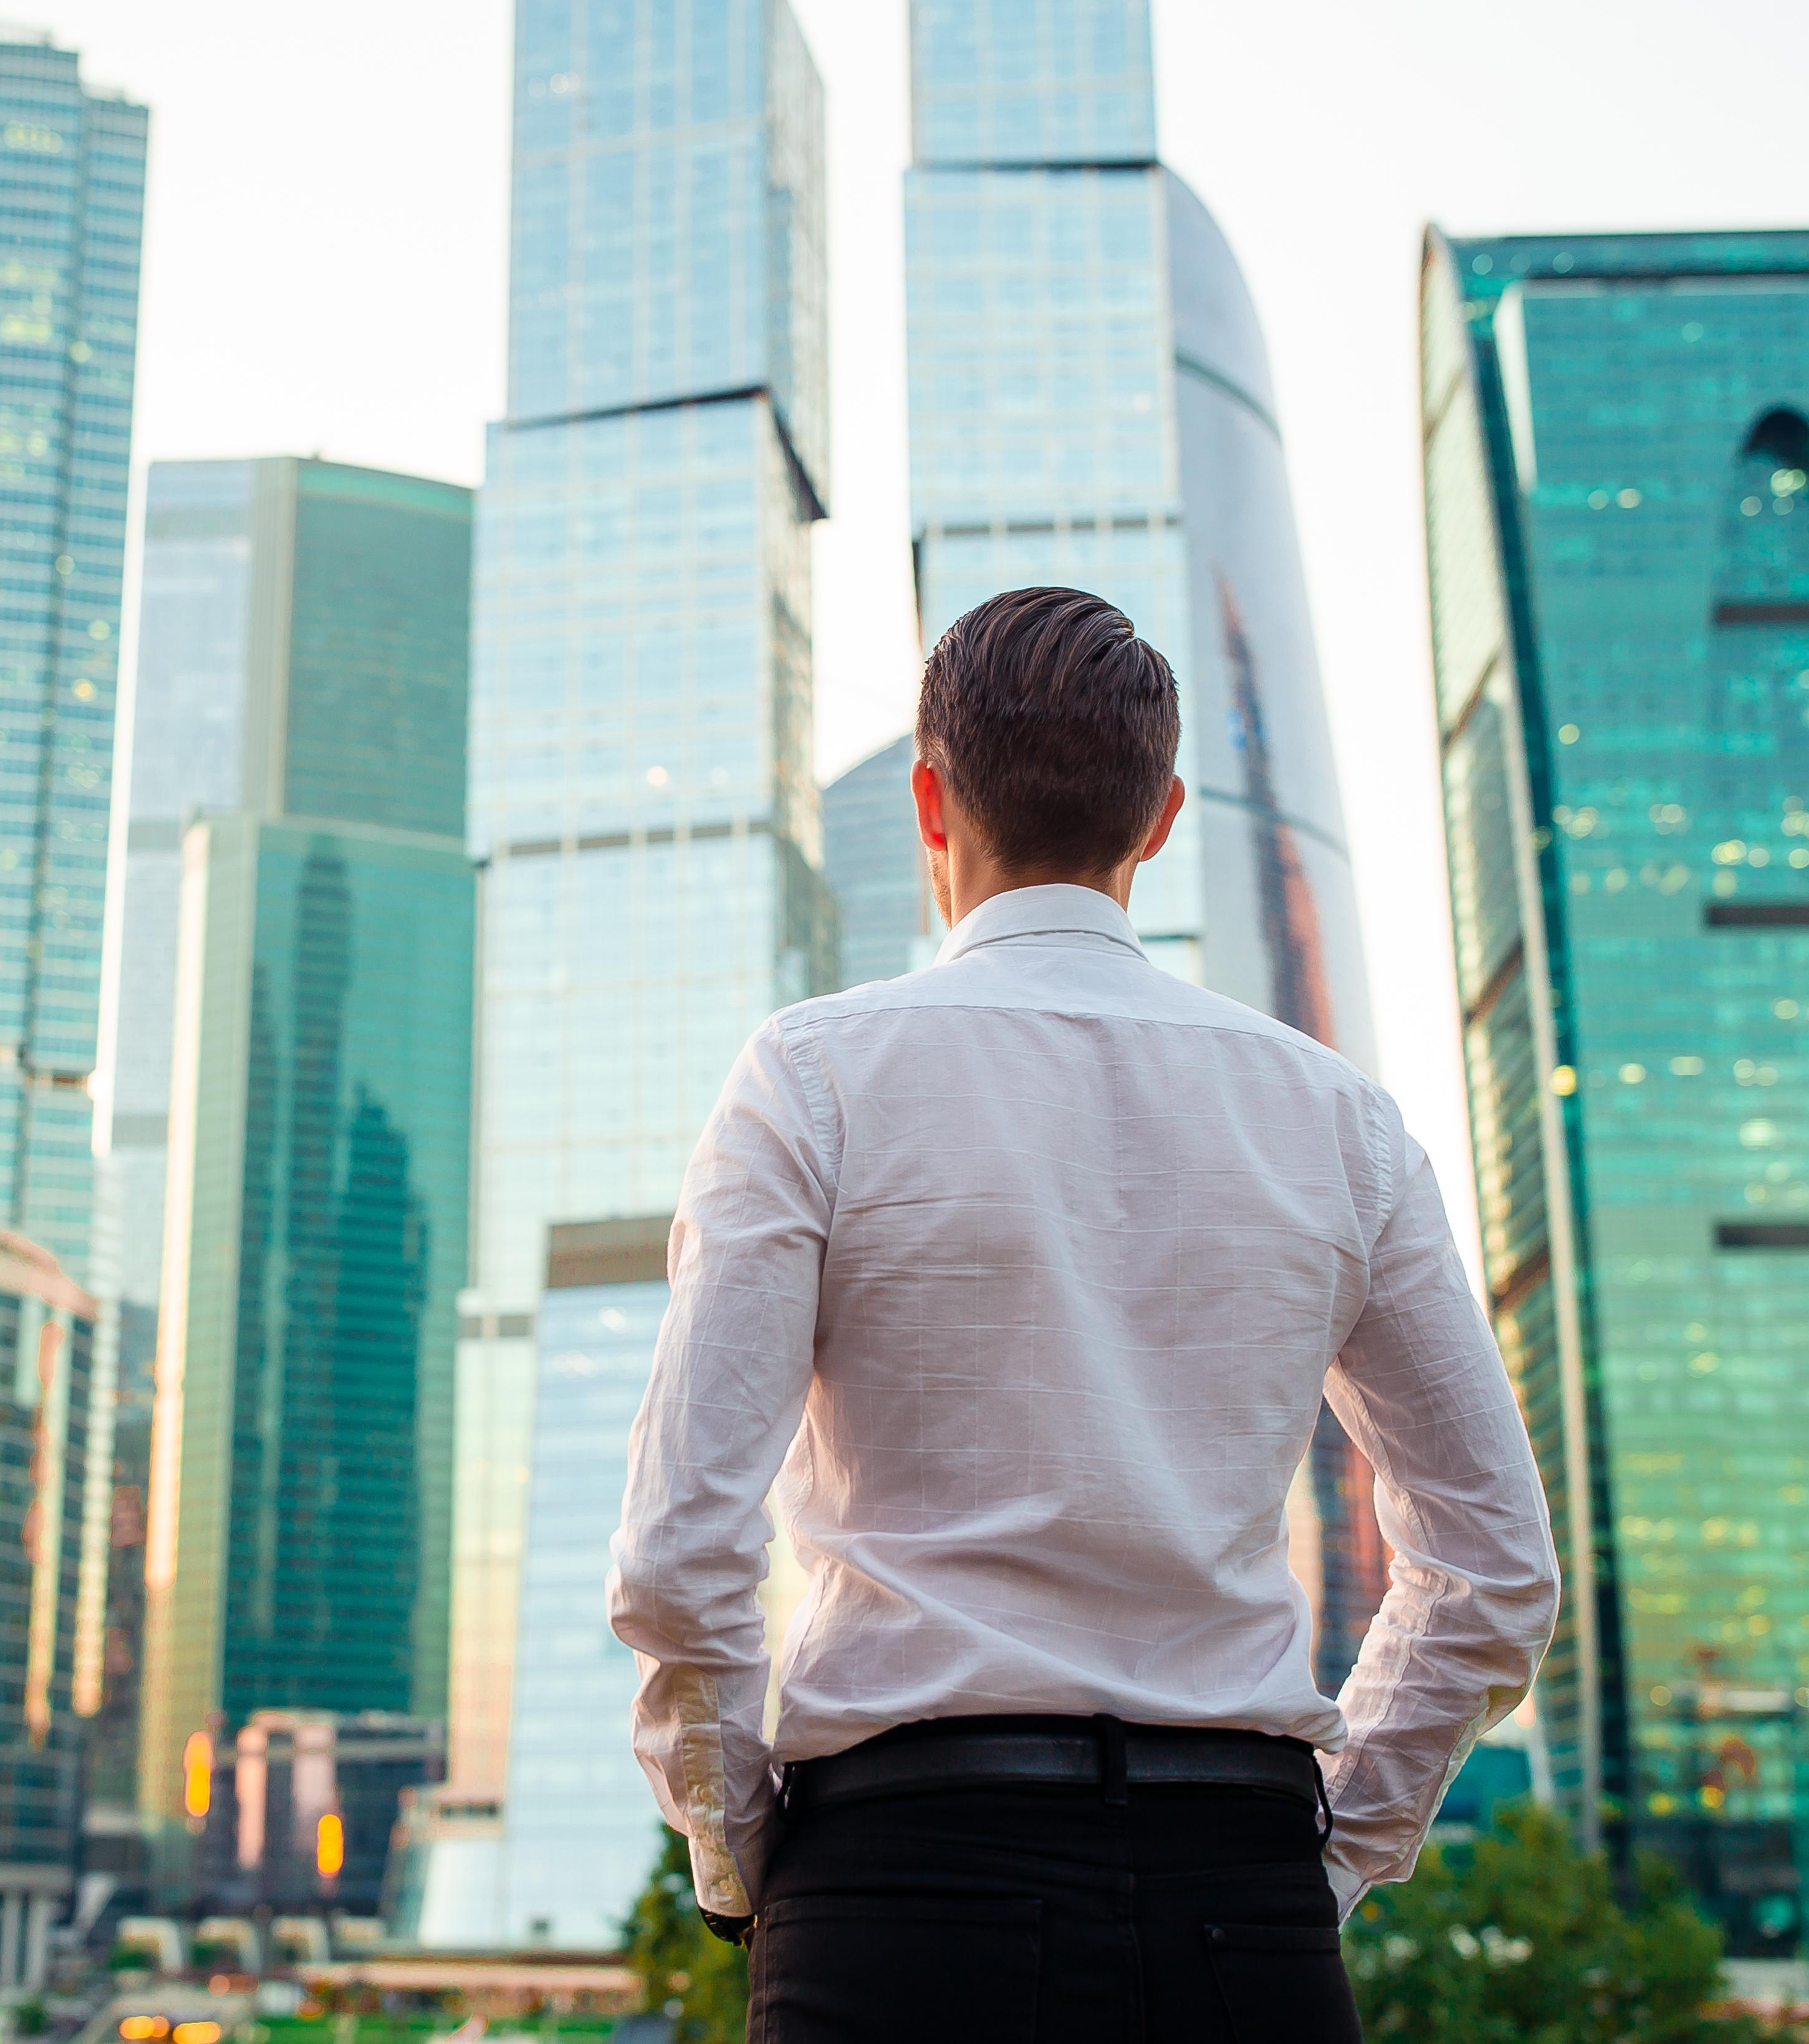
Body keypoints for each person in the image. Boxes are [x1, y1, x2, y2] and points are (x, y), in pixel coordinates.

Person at [606, 587, 1560, 2040]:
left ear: (930, 799)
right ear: (1162, 815)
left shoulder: (811, 1080)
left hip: (897, 1902)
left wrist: (751, 1858)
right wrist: (1332, 1852)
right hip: (1238, 1908)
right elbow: (1496, 1572)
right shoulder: (1340, 1122)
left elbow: (680, 1556)